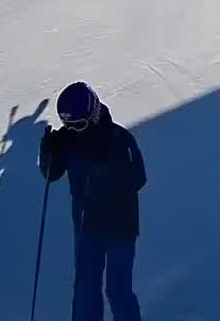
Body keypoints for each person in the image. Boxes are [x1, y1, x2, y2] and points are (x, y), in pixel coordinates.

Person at [40, 82, 145, 321]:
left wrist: (105, 169)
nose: (73, 130)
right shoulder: (71, 142)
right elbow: (51, 173)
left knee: (117, 290)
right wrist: (49, 152)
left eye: (79, 125)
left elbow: (138, 179)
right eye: (67, 125)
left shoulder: (121, 139)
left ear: (94, 114)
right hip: (86, 225)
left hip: (120, 226)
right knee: (85, 287)